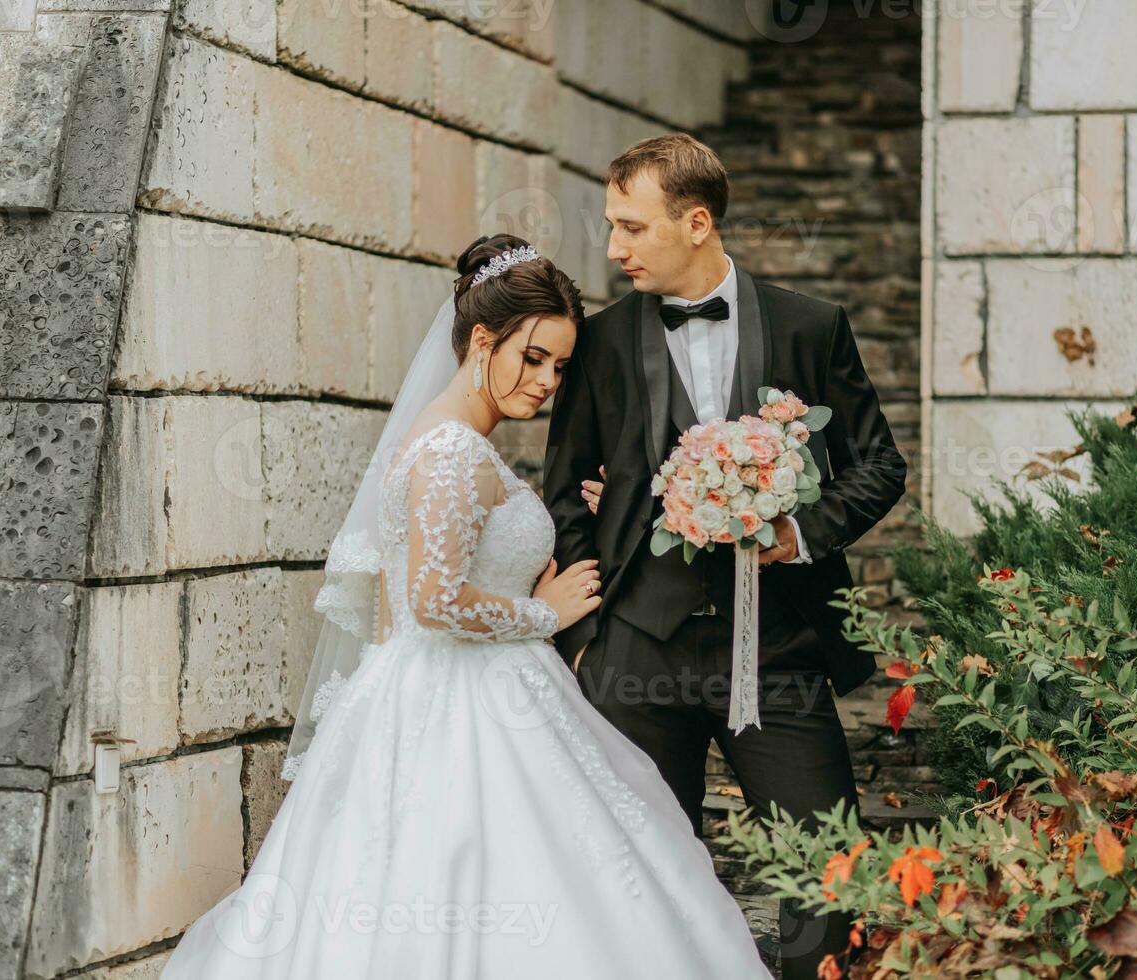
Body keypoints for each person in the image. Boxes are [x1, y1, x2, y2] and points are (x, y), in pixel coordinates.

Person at [158, 234, 774, 979]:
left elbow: (401, 602)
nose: (547, 381)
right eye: (533, 356)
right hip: (466, 701)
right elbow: (433, 600)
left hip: (449, 688)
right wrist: (542, 613)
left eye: (560, 365)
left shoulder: (453, 442)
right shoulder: (450, 451)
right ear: (483, 340)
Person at [543, 134, 909, 979]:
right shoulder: (599, 343)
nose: (613, 248)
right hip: (637, 649)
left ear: (697, 222)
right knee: (635, 873)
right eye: (611, 226)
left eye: (632, 228)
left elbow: (880, 465)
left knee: (828, 873)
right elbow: (565, 487)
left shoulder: (812, 328)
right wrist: (591, 628)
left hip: (777, 648)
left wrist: (799, 531)